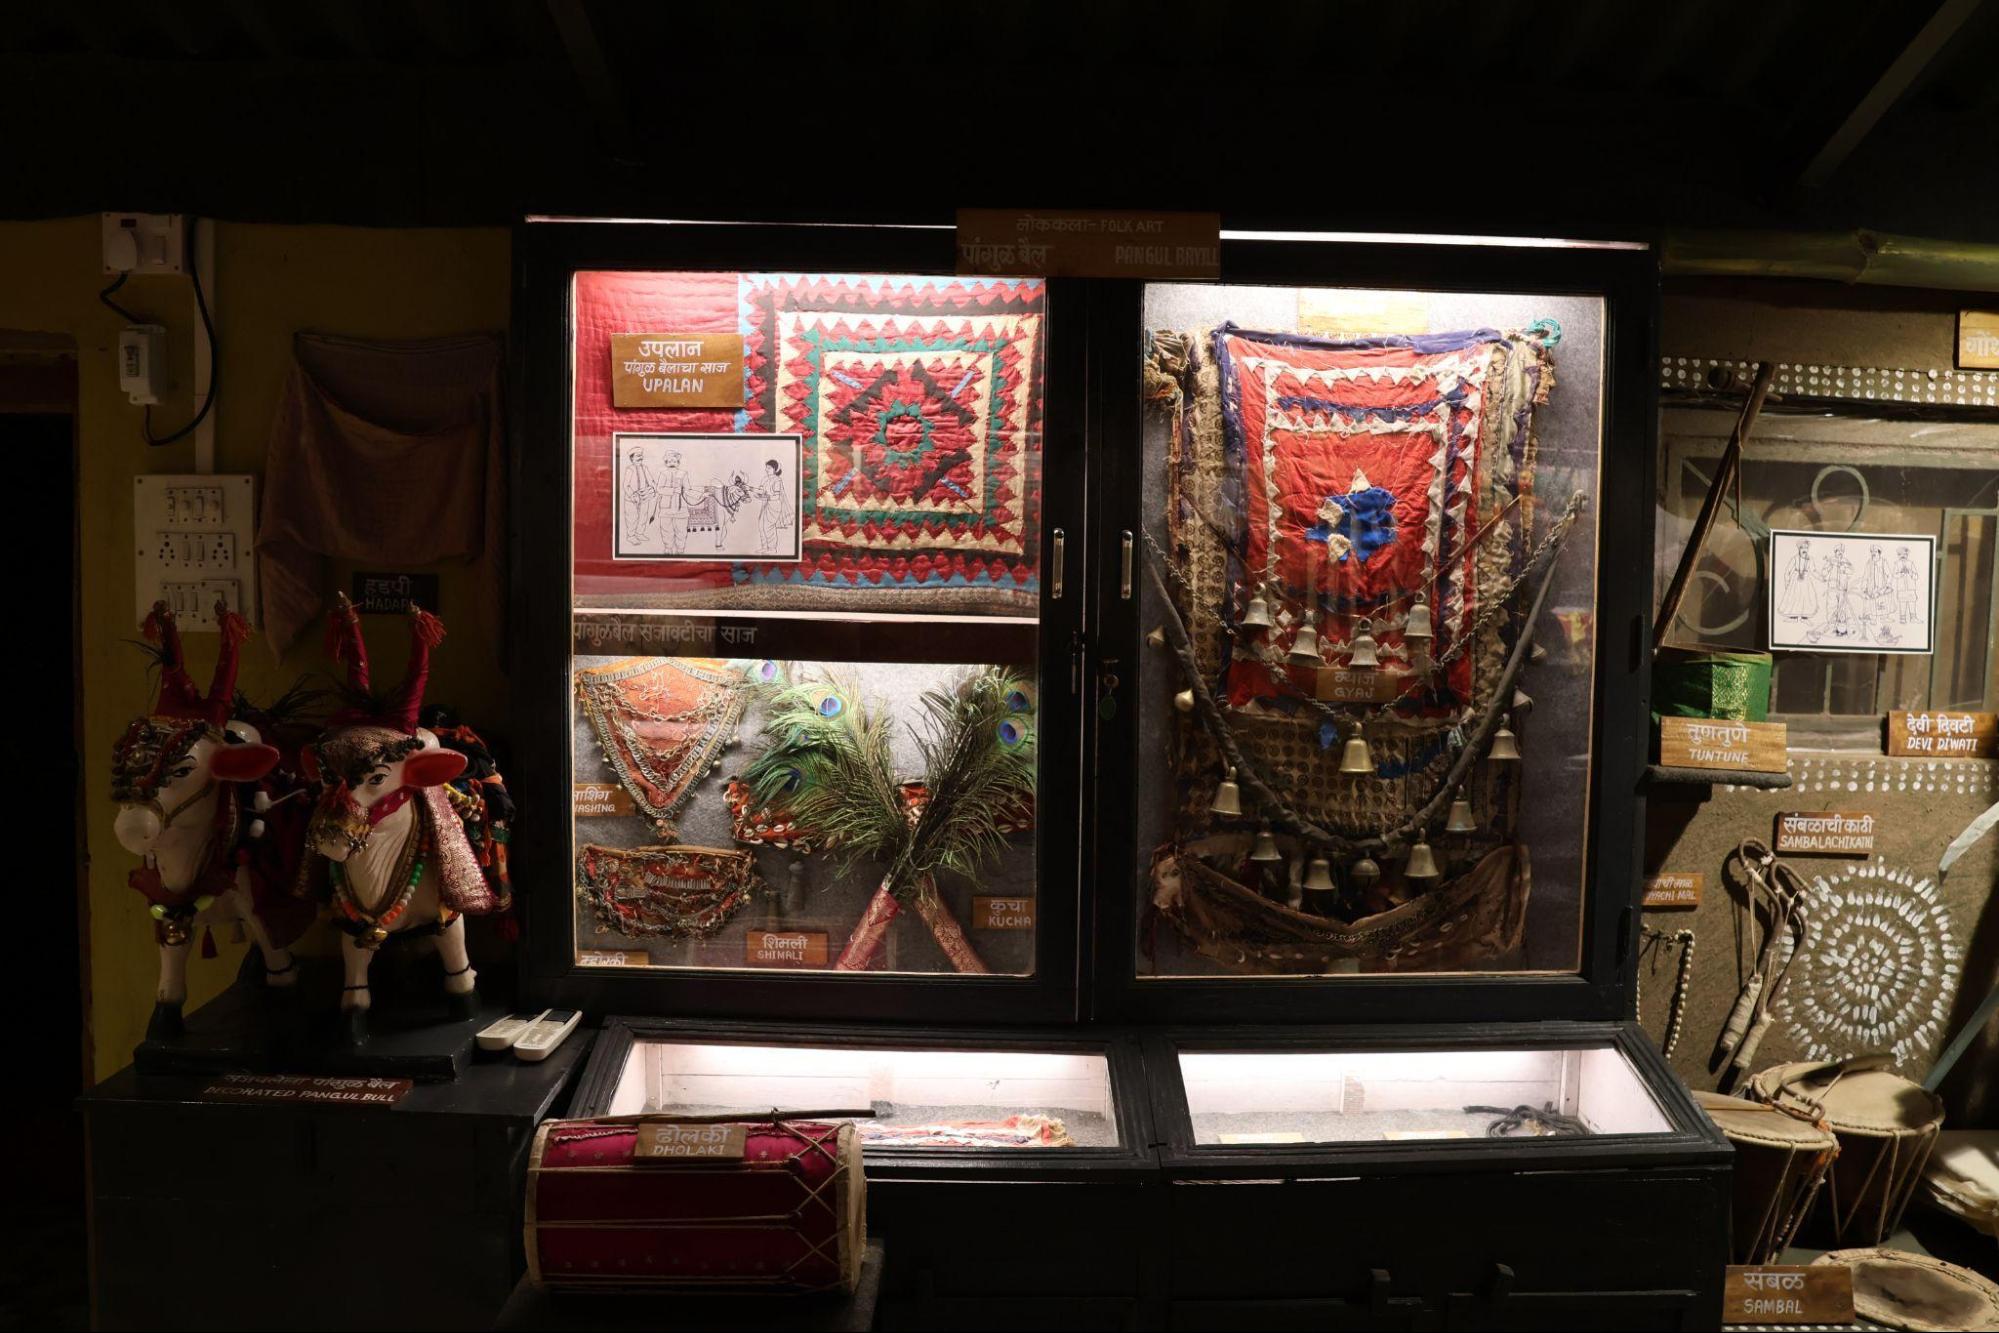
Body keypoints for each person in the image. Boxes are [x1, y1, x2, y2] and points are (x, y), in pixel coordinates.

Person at [621, 445, 658, 549]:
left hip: (644, 497)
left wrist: (655, 489)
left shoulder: (645, 468)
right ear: (632, 458)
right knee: (632, 517)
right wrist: (633, 495)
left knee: (643, 516)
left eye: (641, 456)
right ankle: (631, 536)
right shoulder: (630, 469)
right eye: (637, 456)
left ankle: (640, 533)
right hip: (632, 499)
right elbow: (625, 485)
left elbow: (651, 480)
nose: (640, 458)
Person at [756, 457, 794, 555]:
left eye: (769, 468)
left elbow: (776, 496)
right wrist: (753, 491)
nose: (766, 469)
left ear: (774, 469)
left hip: (774, 506)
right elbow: (761, 491)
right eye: (766, 468)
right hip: (765, 505)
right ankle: (764, 547)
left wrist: (766, 497)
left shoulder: (777, 480)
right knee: (761, 526)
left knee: (768, 527)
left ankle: (772, 549)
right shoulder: (764, 479)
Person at [1775, 538, 1818, 621]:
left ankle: (1804, 616)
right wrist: (1787, 582)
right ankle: (1793, 616)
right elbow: (1787, 571)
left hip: (1806, 581)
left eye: (1806, 548)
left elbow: (1814, 570)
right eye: (1802, 548)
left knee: (1806, 596)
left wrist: (1821, 577)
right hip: (1795, 580)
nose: (1804, 550)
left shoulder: (1810, 559)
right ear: (1799, 548)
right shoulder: (1795, 558)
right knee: (1795, 596)